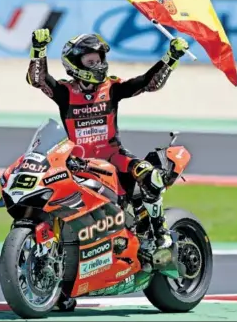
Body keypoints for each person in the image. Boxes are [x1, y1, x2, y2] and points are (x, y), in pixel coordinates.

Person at [26, 28, 189, 250]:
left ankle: (160, 233)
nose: (99, 65)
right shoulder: (64, 93)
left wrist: (170, 58)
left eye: (100, 59)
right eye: (91, 61)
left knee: (150, 176)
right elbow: (38, 80)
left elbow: (147, 83)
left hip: (114, 157)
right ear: (75, 65)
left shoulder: (111, 87)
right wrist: (39, 50)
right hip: (78, 163)